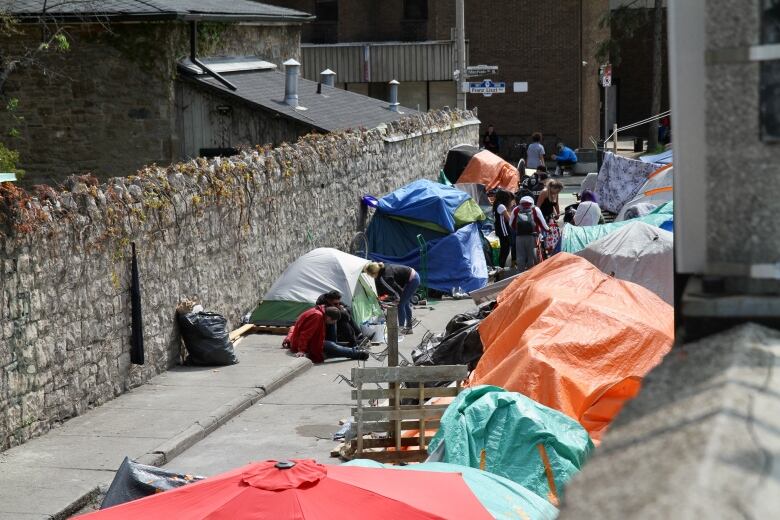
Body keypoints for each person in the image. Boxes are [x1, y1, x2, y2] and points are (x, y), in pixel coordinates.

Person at [287, 305, 369, 363]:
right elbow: (305, 334)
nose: (332, 323)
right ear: (329, 317)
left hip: (310, 341)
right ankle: (357, 353)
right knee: (331, 346)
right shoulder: (317, 316)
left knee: (332, 346)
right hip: (300, 344)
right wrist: (301, 350)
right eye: (333, 321)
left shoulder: (320, 312)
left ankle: (356, 349)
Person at [364, 262, 420, 335]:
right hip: (413, 276)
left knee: (401, 305)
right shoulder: (383, 268)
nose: (372, 277)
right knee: (405, 304)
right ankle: (409, 328)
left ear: (374, 273)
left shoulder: (386, 277)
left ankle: (401, 329)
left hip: (413, 280)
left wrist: (398, 298)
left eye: (371, 275)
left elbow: (395, 289)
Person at [511, 196, 548, 271]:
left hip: (519, 237)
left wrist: (518, 230)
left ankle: (520, 274)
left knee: (520, 256)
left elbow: (511, 224)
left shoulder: (516, 209)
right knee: (532, 256)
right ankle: (531, 273)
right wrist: (548, 229)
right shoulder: (535, 209)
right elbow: (543, 223)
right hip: (533, 236)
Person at [492, 189, 515, 268]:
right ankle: (501, 267)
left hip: (500, 230)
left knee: (505, 249)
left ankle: (501, 266)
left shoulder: (497, 205)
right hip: (504, 230)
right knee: (505, 249)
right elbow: (509, 219)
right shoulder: (501, 206)